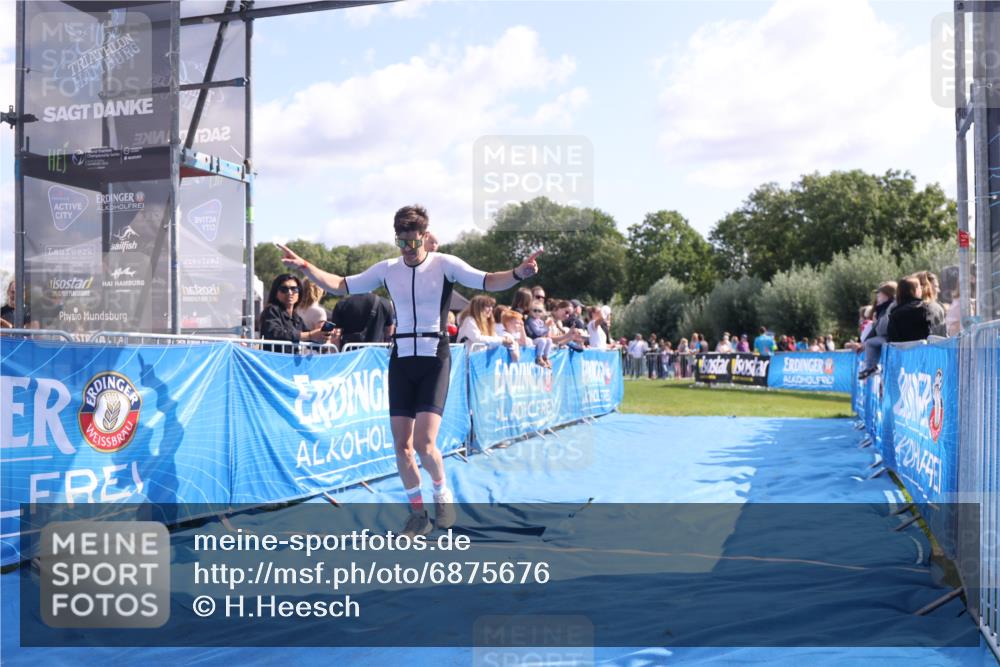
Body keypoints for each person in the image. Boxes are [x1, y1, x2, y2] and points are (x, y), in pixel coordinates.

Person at [277, 205, 542, 537]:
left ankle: (441, 490)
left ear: (425, 236)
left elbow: (488, 281)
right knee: (401, 446)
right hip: (401, 359)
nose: (406, 250)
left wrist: (519, 273)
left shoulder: (445, 265)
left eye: (412, 243)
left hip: (434, 358)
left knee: (425, 444)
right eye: (400, 242)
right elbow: (340, 285)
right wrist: (306, 266)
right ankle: (418, 514)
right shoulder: (388, 269)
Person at [259, 274, 332, 352]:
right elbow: (275, 333)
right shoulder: (271, 310)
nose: (290, 293)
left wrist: (323, 341)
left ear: (299, 293)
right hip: (275, 361)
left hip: (290, 362)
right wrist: (310, 335)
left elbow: (310, 340)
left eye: (294, 289)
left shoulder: (296, 318)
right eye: (284, 289)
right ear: (276, 292)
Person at [859, 281, 897, 379]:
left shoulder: (890, 306)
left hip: (891, 338)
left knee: (870, 342)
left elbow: (882, 328)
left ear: (887, 295)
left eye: (880, 295)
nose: (877, 298)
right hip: (886, 337)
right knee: (870, 342)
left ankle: (871, 368)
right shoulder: (882, 308)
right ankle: (871, 368)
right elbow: (877, 328)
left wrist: (876, 323)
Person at [888, 276, 930, 343]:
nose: (921, 289)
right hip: (926, 351)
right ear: (914, 290)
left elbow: (892, 341)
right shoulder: (926, 309)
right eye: (919, 286)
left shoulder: (894, 314)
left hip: (903, 352)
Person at [524, 300, 554, 368]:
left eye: (539, 311)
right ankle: (538, 357)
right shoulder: (531, 320)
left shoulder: (540, 321)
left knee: (549, 340)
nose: (537, 312)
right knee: (542, 340)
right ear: (530, 311)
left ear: (542, 312)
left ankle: (545, 357)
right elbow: (537, 332)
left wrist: (548, 326)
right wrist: (546, 327)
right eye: (535, 310)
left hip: (538, 339)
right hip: (532, 340)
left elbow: (545, 333)